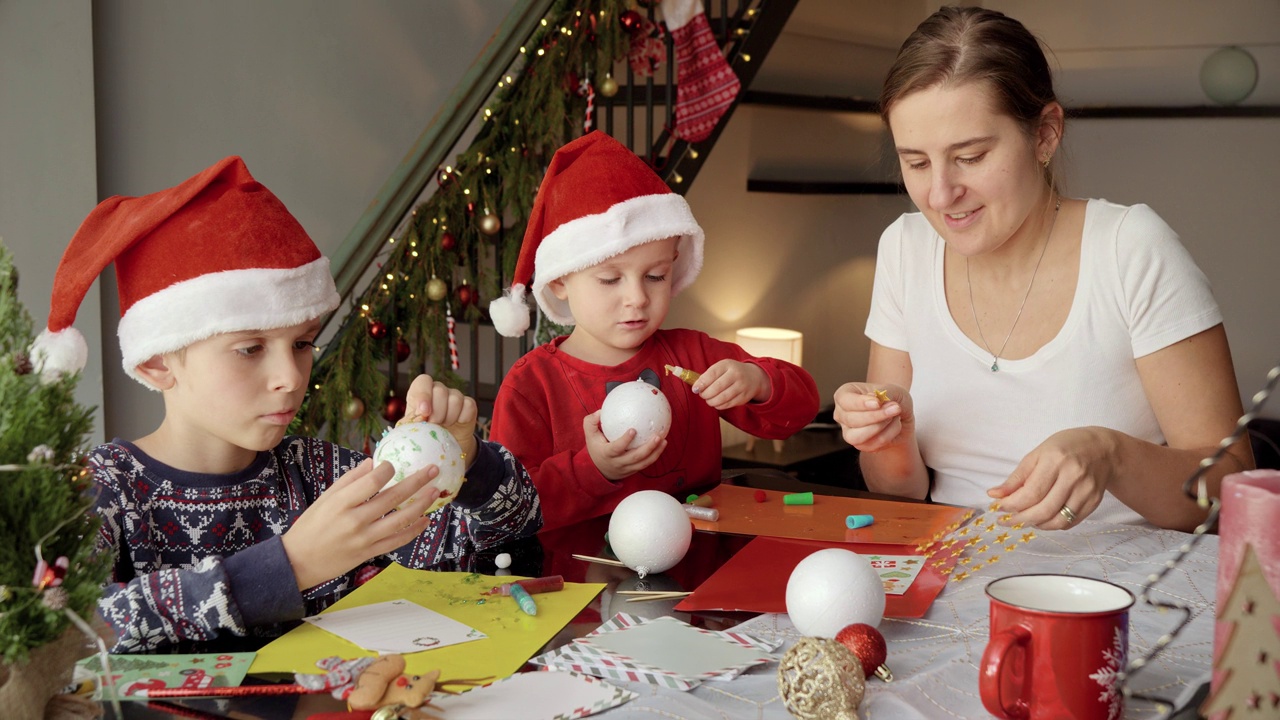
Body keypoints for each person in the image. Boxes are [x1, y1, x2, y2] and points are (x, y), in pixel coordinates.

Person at [31, 156, 541, 653]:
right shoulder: (103, 489)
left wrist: (466, 463)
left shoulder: (318, 473)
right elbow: (64, 632)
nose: (290, 377)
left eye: (302, 344)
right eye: (250, 349)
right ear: (157, 364)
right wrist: (291, 565)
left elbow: (491, 550)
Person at [832, 6, 1252, 532]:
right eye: (916, 163)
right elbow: (898, 489)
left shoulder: (1130, 248)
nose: (939, 195)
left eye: (971, 156)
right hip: (951, 577)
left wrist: (1112, 456)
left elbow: (1232, 488)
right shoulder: (904, 248)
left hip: (1110, 594)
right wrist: (889, 438)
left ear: (1045, 134)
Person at [487, 131, 820, 532]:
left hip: (695, 566)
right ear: (559, 282)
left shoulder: (692, 355)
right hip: (578, 580)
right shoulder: (531, 385)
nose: (637, 298)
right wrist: (593, 468)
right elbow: (506, 506)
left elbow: (800, 411)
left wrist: (758, 382)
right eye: (610, 279)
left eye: (656, 276)